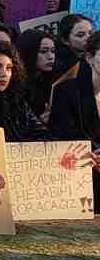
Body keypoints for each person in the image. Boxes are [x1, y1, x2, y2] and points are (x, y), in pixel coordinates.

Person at [48, 31, 100, 199]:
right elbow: (60, 135)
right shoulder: (66, 91)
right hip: (78, 174)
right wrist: (88, 154)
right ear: (89, 58)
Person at [15, 30, 60, 124]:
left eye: (53, 51)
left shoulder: (50, 81)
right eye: (43, 51)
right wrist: (38, 122)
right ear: (28, 52)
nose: (51, 56)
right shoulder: (16, 85)